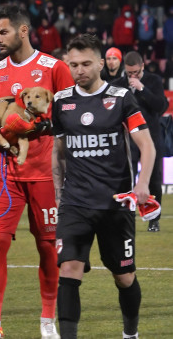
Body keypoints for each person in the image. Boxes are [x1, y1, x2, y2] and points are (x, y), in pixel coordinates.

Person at [0, 6, 72, 339]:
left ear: (23, 31)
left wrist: (37, 124)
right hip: (6, 171)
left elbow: (69, 117)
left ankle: (47, 322)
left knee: (47, 246)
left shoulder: (55, 68)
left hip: (45, 172)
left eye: (2, 32)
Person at [52, 33, 155, 339]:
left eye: (85, 63)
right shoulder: (61, 101)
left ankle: (130, 334)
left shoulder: (122, 98)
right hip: (76, 203)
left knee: (124, 277)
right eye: (73, 64)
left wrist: (143, 184)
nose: (79, 69)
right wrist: (59, 195)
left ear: (100, 63)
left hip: (115, 204)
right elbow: (58, 154)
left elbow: (146, 145)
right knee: (68, 269)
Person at [112, 51, 168, 232]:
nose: (132, 76)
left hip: (150, 139)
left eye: (135, 72)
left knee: (153, 179)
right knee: (126, 179)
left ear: (142, 67)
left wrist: (142, 88)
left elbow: (161, 106)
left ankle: (154, 219)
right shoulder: (118, 85)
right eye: (129, 73)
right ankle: (125, 216)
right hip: (127, 140)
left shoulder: (154, 81)